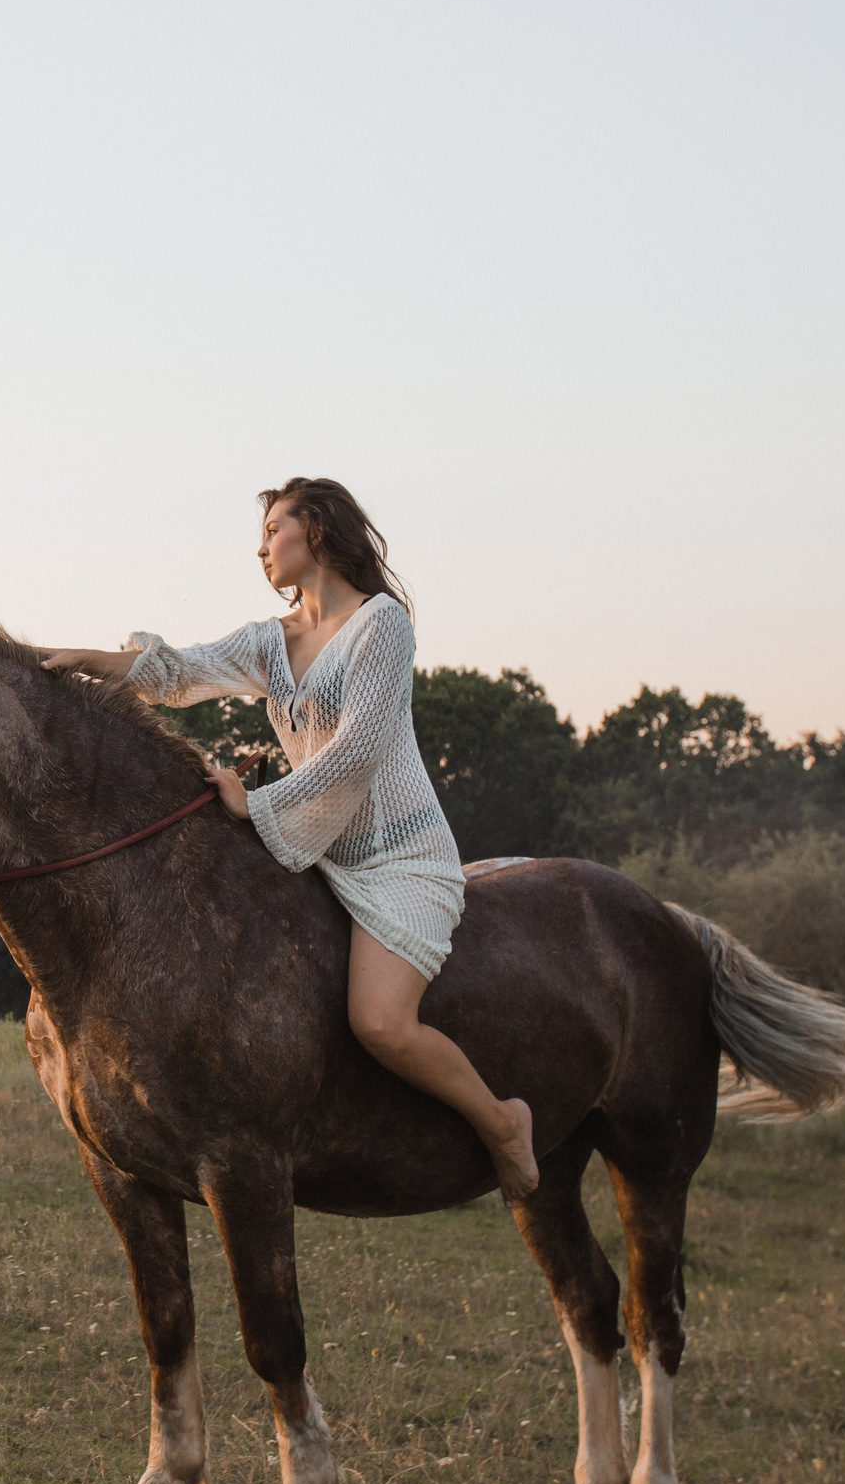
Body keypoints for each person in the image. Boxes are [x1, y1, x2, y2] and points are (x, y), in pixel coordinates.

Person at [36, 476, 539, 1199]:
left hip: (399, 859)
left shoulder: (382, 626)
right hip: (315, 851)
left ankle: (501, 1123)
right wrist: (81, 659)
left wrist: (256, 802)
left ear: (319, 531)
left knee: (380, 1022)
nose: (262, 547)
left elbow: (358, 750)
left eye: (274, 529)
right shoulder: (270, 643)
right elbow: (177, 672)